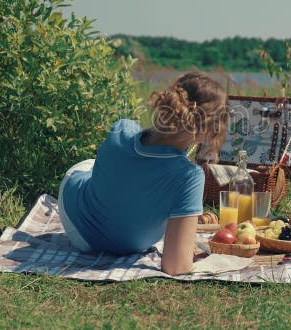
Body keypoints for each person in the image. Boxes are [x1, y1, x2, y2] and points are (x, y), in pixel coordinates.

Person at [58, 72, 229, 276]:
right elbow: (176, 266)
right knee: (93, 166)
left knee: (103, 167)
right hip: (120, 242)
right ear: (208, 130)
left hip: (76, 224)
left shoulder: (121, 129)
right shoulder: (189, 176)